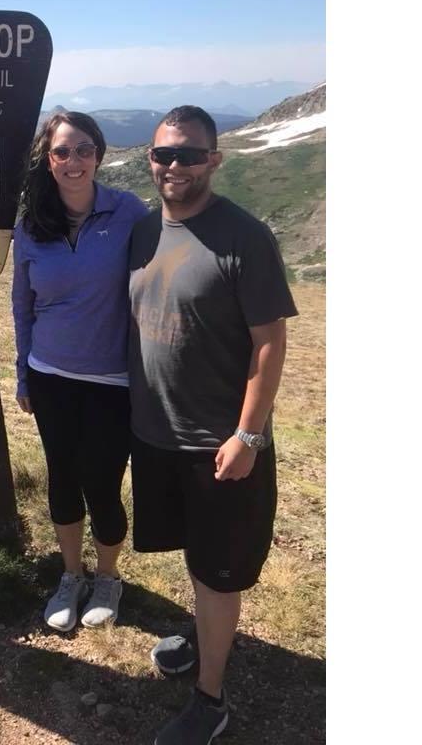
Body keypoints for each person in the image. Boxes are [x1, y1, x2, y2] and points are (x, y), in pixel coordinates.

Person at [127, 105, 298, 744]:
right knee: (195, 557)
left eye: (190, 155)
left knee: (218, 571)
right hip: (155, 435)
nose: (175, 166)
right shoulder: (143, 231)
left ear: (214, 160)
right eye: (164, 154)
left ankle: (210, 699)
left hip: (221, 444)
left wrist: (249, 435)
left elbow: (269, 344)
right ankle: (203, 640)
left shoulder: (245, 236)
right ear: (151, 158)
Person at [12, 110, 148, 631]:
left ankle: (108, 578)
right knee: (62, 478)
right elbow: (22, 307)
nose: (74, 161)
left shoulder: (129, 211)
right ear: (49, 160)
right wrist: (24, 375)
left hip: (114, 381)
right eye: (63, 151)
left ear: (100, 154)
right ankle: (71, 576)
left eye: (84, 149)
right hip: (50, 375)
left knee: (103, 483)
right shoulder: (30, 225)